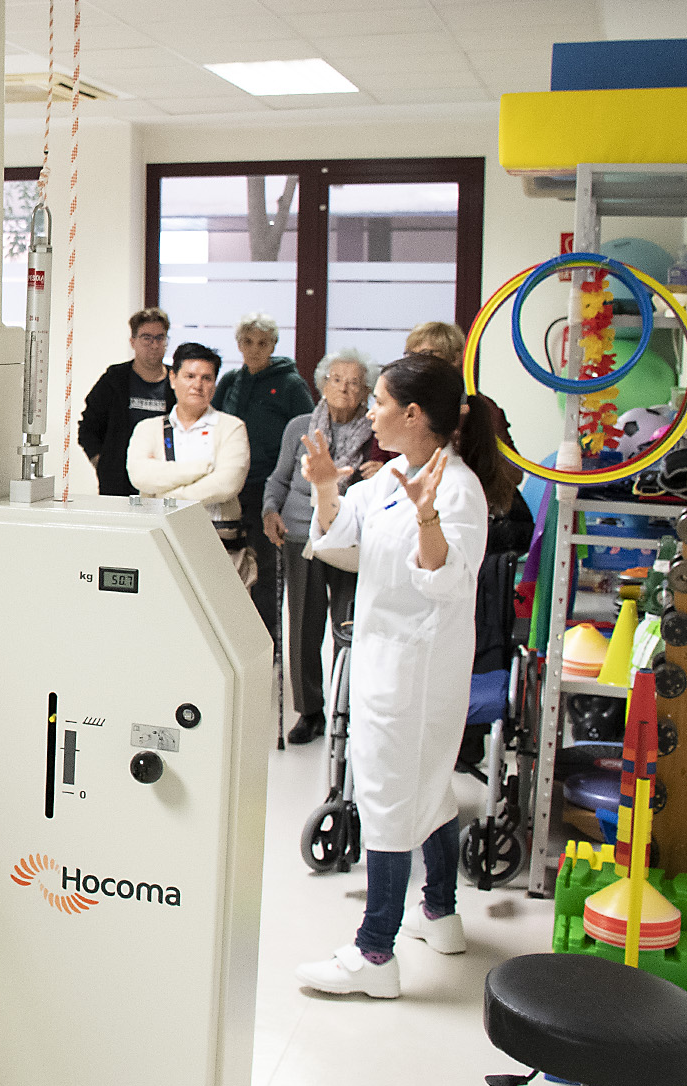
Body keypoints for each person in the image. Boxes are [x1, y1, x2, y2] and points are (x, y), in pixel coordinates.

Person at [293, 353, 521, 999]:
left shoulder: (456, 489)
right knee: (429, 792)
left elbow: (447, 579)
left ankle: (374, 954)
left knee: (390, 802)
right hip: (387, 661)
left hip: (414, 674)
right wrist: (324, 485)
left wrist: (427, 517)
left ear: (414, 414)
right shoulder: (397, 474)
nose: (371, 412)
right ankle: (440, 912)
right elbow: (343, 536)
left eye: (381, 402)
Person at [263, 350, 378, 745]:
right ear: (322, 384)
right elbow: (279, 479)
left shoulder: (376, 434)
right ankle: (310, 711)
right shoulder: (300, 426)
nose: (344, 388)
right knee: (303, 627)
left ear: (366, 391)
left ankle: (349, 708)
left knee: (348, 625)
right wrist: (269, 510)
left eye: (354, 382)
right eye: (336, 379)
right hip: (300, 534)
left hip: (350, 537)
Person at [213, 313, 315, 640]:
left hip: (268, 489)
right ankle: (230, 636)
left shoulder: (290, 384)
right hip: (229, 487)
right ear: (238, 345)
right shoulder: (230, 381)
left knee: (266, 567)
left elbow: (307, 434)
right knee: (226, 562)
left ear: (273, 346)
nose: (255, 349)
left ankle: (267, 641)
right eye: (248, 342)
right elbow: (212, 424)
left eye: (262, 343)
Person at [126, 344, 251, 559]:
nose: (197, 385)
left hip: (219, 543)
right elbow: (140, 476)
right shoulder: (148, 428)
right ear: (173, 378)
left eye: (206, 378)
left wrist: (166, 496)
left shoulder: (232, 427)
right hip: (160, 541)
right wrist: (201, 469)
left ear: (215, 384)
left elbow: (227, 484)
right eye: (190, 376)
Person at [77, 308, 176, 496]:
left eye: (160, 338)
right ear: (133, 341)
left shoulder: (177, 381)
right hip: (118, 482)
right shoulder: (115, 379)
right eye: (147, 338)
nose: (154, 345)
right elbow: (88, 427)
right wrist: (102, 462)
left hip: (165, 480)